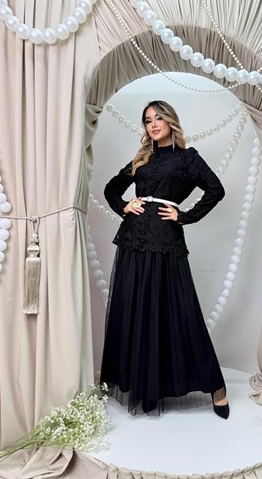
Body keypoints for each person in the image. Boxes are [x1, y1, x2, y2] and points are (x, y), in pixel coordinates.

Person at [100, 100, 229, 419]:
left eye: (159, 118)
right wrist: (124, 206)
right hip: (132, 239)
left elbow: (215, 189)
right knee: (135, 309)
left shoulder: (188, 158)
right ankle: (146, 388)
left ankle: (217, 389)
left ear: (171, 121)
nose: (153, 124)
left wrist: (185, 216)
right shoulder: (142, 158)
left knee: (178, 310)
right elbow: (111, 188)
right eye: (147, 120)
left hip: (165, 240)